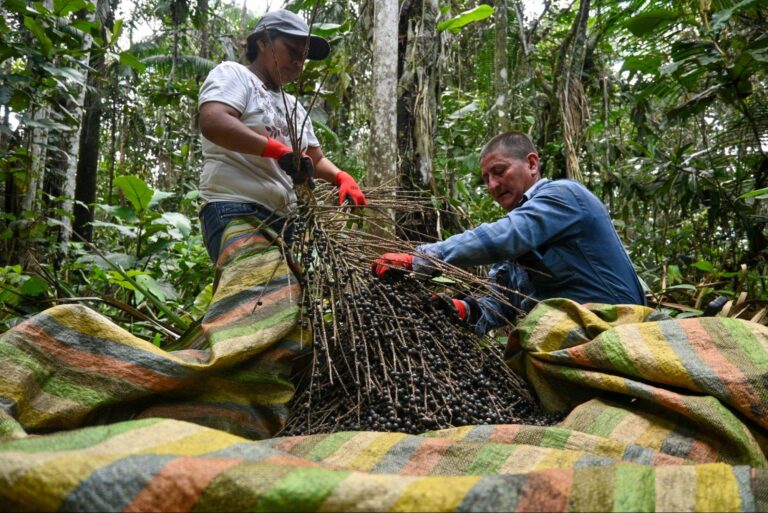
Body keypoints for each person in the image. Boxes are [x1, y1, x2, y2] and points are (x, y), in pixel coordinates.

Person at [371, 132, 646, 335]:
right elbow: (503, 299)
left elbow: (507, 235)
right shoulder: (518, 241)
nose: (492, 185)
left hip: (614, 324)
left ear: (532, 164)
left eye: (499, 172)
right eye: (486, 179)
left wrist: (422, 258)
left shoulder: (564, 195)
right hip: (572, 332)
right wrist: (463, 309)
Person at [197, 9, 366, 263]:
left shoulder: (295, 107)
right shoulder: (235, 75)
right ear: (262, 42)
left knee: (279, 299)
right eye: (292, 51)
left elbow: (314, 159)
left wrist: (341, 177)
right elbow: (214, 121)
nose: (298, 63)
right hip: (235, 207)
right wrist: (276, 150)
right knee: (254, 289)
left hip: (284, 221)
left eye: (304, 57)